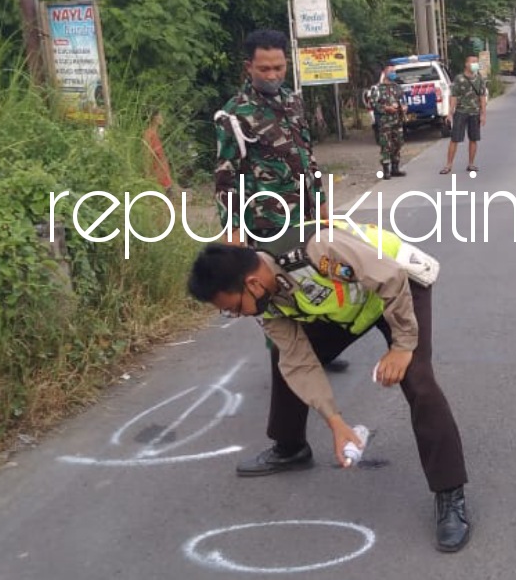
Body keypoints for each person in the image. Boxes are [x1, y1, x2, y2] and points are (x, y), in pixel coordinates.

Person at [186, 221, 472, 553]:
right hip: (348, 309)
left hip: (397, 287)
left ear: (251, 283)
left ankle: (450, 494)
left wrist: (402, 346)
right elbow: (299, 362)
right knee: (285, 357)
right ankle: (290, 446)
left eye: (234, 308)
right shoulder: (265, 301)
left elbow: (391, 278)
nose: (235, 315)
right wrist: (335, 421)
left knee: (418, 379)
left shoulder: (318, 249)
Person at [213, 29, 347, 373]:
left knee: (315, 280)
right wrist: (233, 229)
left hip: (305, 214)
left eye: (278, 68)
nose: (272, 76)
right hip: (269, 221)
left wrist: (322, 203)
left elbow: (307, 158)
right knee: (276, 293)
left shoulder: (293, 101)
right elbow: (228, 177)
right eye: (264, 69)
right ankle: (285, 360)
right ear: (248, 67)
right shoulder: (234, 114)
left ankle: (320, 349)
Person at [440, 56, 487, 175]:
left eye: (476, 62)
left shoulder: (479, 79)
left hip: (474, 112)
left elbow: (482, 97)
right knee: (455, 139)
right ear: (466, 64)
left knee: (474, 139)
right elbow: (454, 96)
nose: (475, 64)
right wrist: (450, 113)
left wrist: (483, 114)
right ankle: (448, 165)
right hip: (461, 112)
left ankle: (471, 164)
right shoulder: (459, 79)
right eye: (473, 62)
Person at [369, 65, 408, 178]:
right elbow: (373, 103)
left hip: (397, 120)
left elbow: (403, 100)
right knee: (386, 145)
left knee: (398, 143)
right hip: (384, 121)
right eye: (391, 71)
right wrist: (385, 108)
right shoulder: (377, 88)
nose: (393, 73)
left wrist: (404, 107)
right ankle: (386, 169)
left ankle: (395, 168)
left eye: (394, 71)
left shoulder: (397, 87)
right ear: (384, 73)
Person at [143, 109, 174, 197]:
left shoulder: (155, 134)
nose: (162, 118)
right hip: (158, 177)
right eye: (160, 115)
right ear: (155, 118)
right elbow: (146, 155)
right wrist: (147, 174)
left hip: (164, 176)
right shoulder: (149, 134)